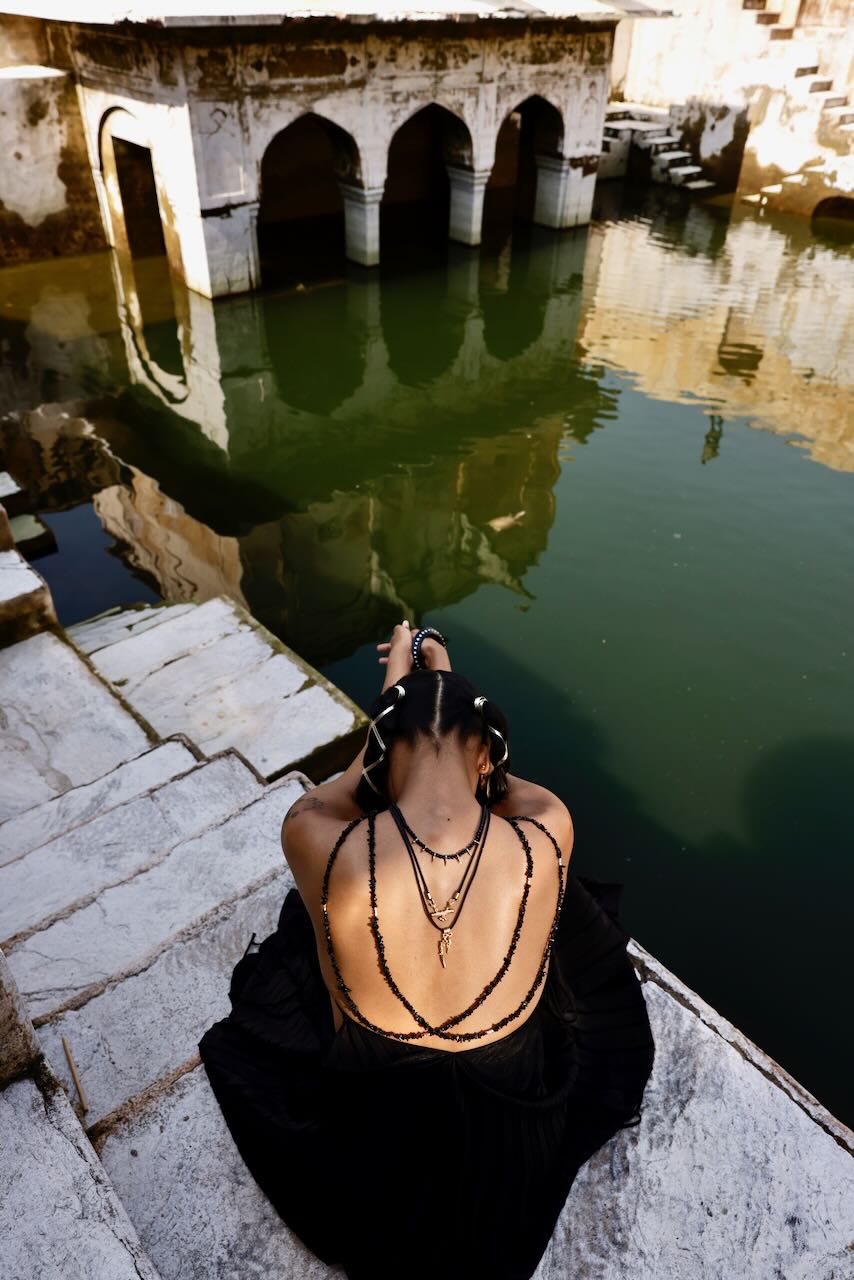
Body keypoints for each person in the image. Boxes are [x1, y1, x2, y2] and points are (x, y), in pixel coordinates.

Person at [199, 622, 655, 1280]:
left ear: (383, 752)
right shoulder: (549, 825)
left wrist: (396, 694)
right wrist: (444, 678)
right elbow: (498, 783)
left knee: (318, 910)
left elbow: (350, 787)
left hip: (375, 1122)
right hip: (510, 1138)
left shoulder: (310, 835)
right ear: (485, 755)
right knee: (554, 899)